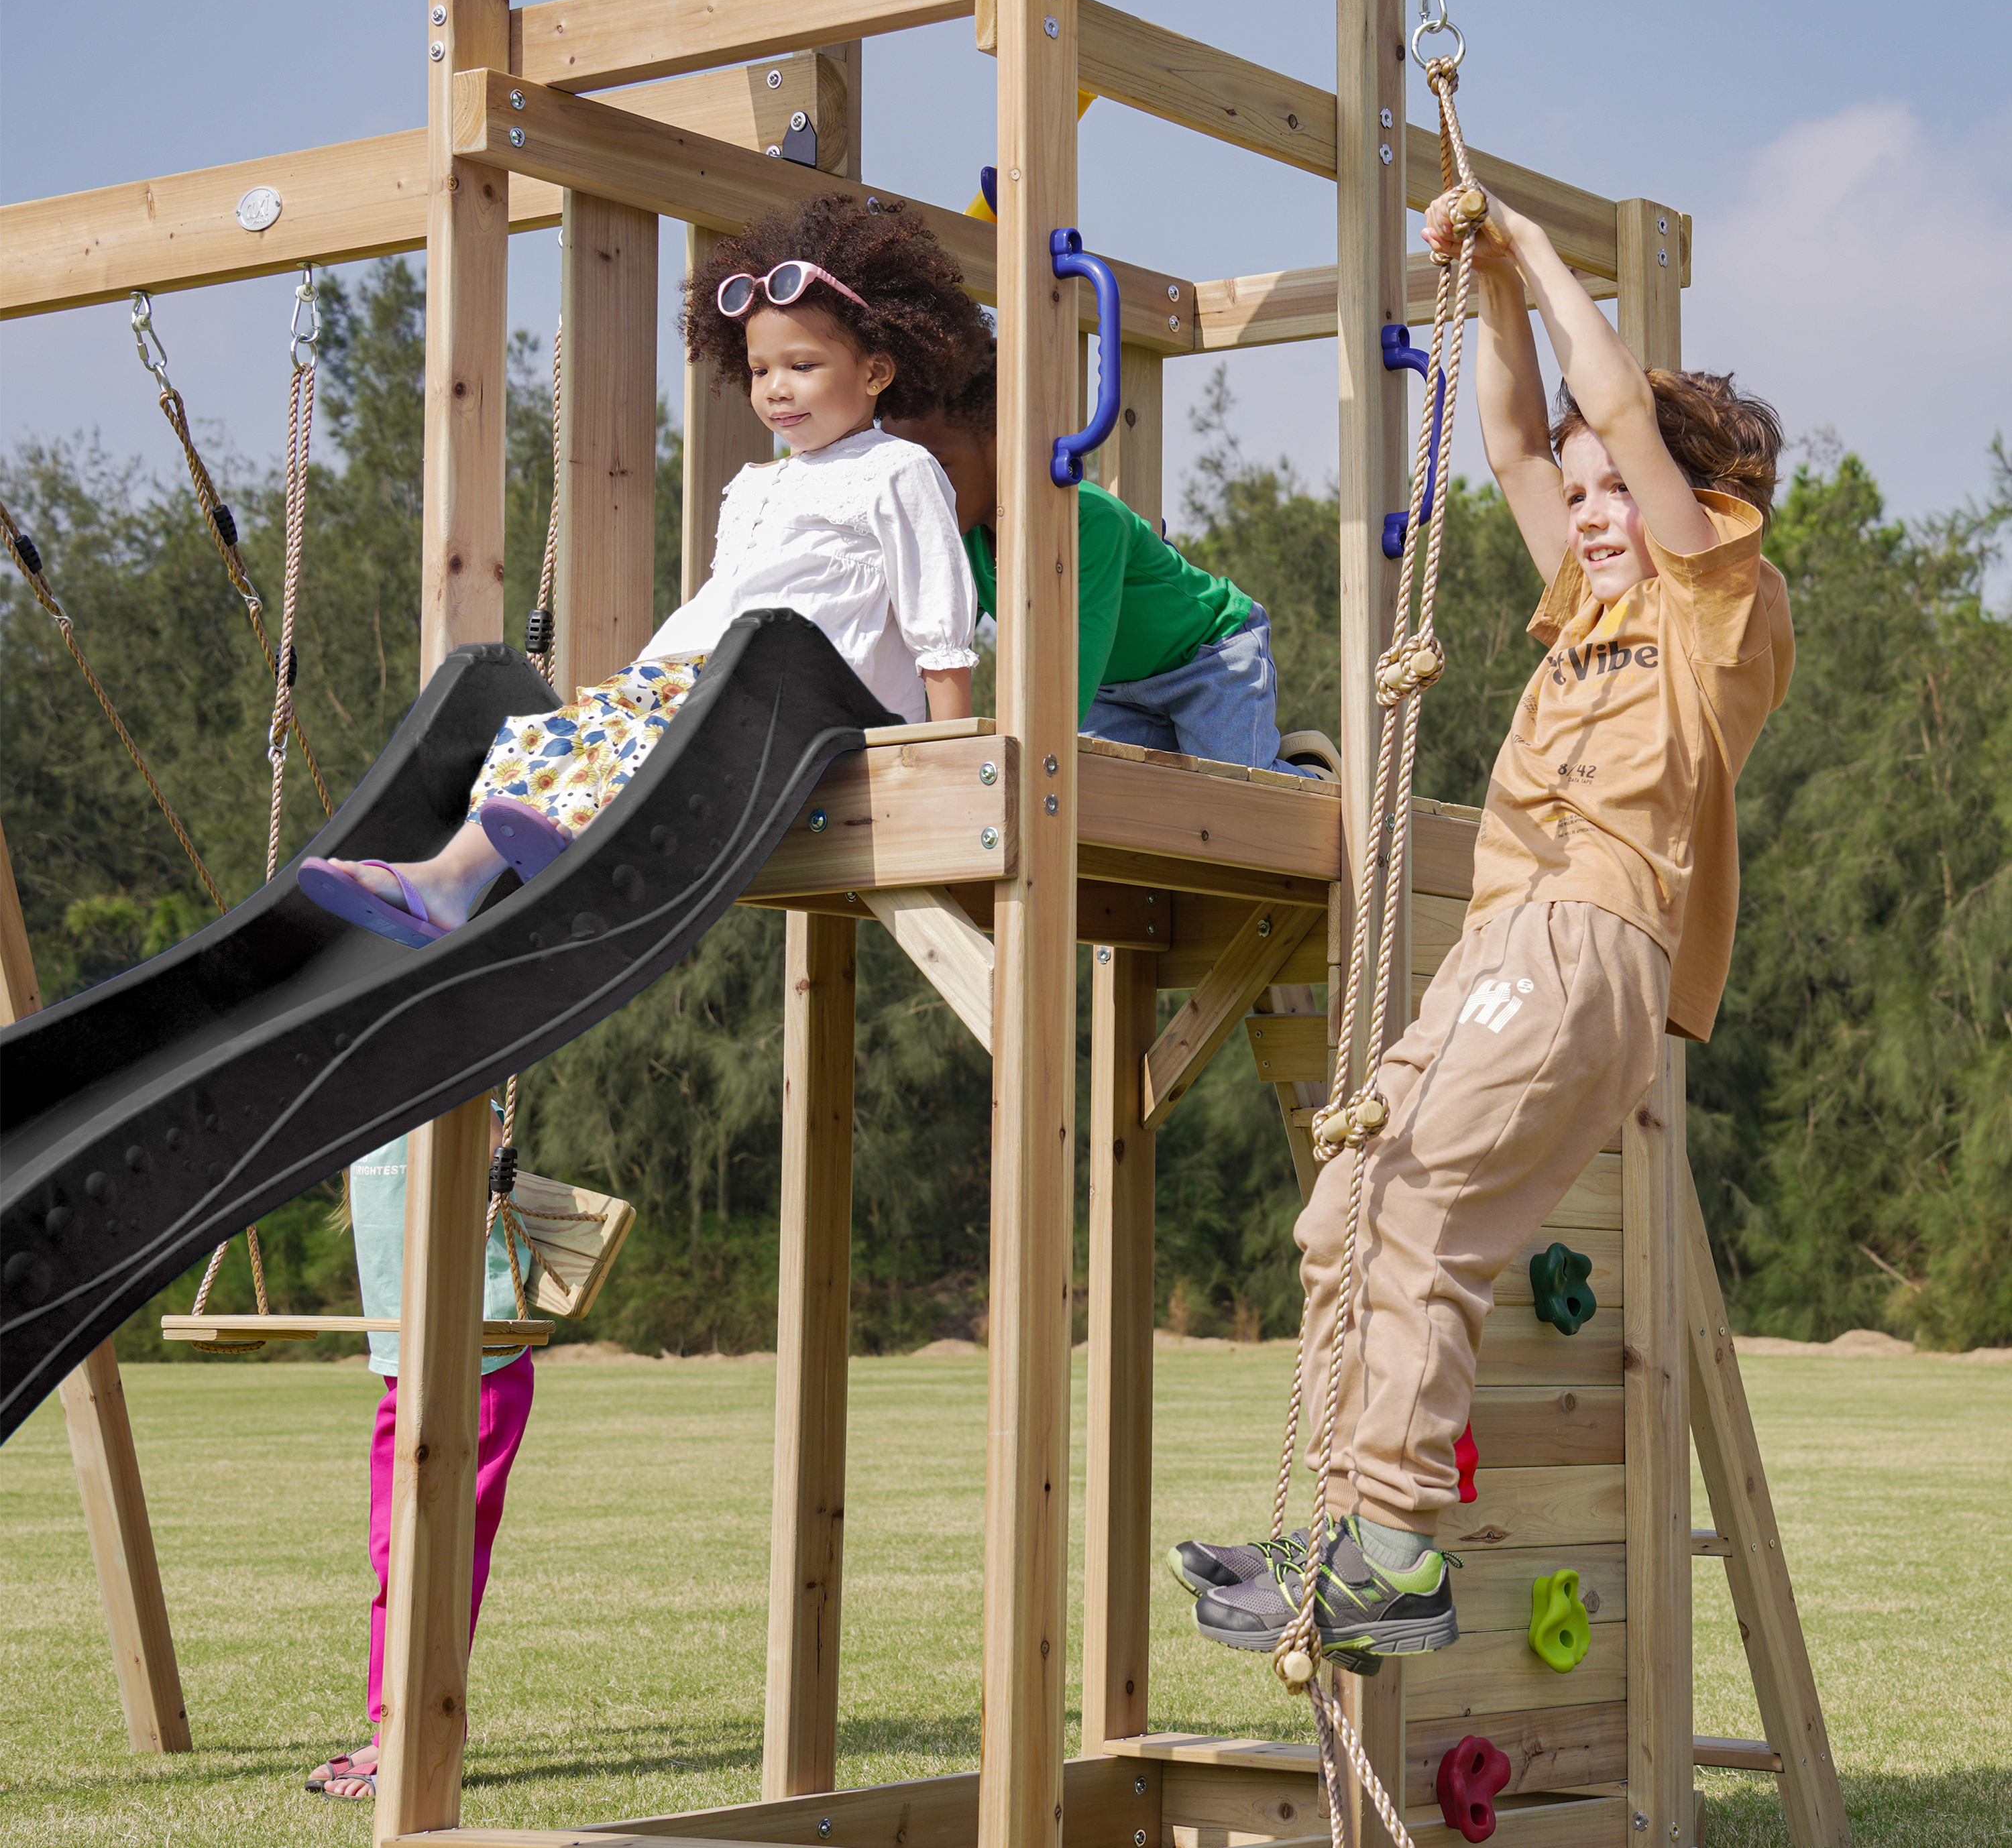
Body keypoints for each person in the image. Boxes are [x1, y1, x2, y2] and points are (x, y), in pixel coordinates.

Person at [1169, 186, 1791, 1666]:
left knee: (1421, 1208)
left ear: (1695, 506)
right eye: (1579, 501)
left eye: (1615, 492)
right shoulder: (1584, 609)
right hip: (1496, 954)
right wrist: (1489, 286)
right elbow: (1517, 435)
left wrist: (1528, 238)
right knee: (1342, 1215)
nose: (1587, 513)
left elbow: (1609, 410)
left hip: (1588, 941)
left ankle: (1396, 1551)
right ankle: (1344, 1534)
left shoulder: (1720, 611)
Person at [301, 193, 988, 946]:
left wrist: (945, 768)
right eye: (760, 369)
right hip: (710, 683)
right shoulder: (759, 482)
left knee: (648, 727)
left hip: (812, 712)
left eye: (803, 365)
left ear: (878, 370)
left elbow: (939, 629)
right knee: (564, 730)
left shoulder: (896, 470)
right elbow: (725, 597)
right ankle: (449, 881)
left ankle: (594, 840)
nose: (776, 389)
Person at [883, 356, 1308, 774]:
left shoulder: (1088, 520)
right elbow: (934, 652)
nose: (920, 492)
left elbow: (1073, 668)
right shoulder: (961, 538)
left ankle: (1308, 772)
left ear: (999, 444)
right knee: (1106, 804)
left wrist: (1008, 763)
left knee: (1231, 802)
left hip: (1207, 660)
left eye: (935, 467)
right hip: (1113, 689)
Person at [306, 1102, 536, 1800]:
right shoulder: (365, 1107)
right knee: (393, 1553)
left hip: (476, 1364)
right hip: (404, 1367)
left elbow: (494, 1169)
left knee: (437, 1555)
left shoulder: (458, 1099)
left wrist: (498, 1165)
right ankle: (393, 1726)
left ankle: (416, 1734)